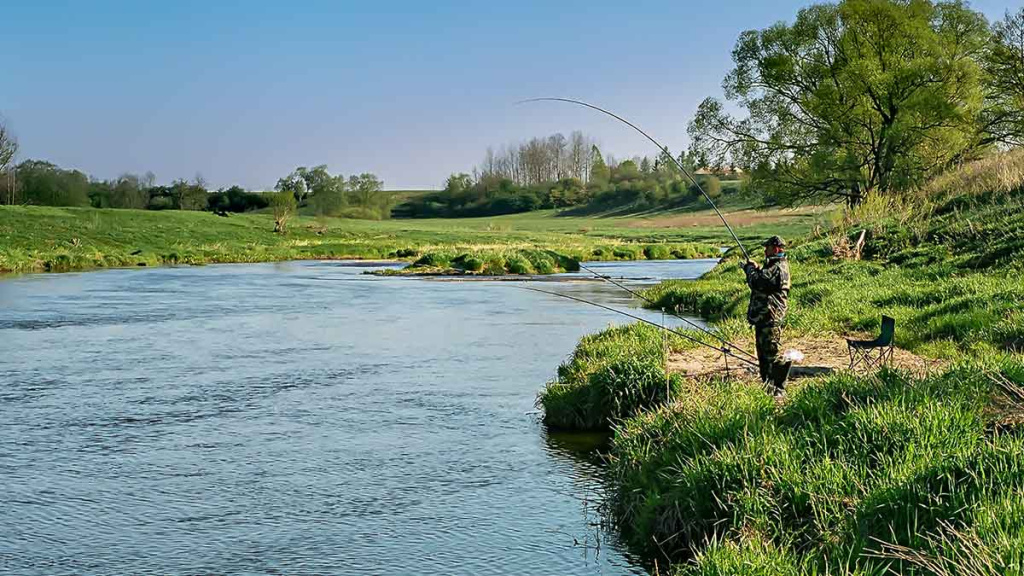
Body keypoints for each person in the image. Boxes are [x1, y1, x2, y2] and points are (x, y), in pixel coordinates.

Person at [743, 235, 791, 396]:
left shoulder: (777, 267)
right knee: (763, 355)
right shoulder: (774, 266)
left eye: (768, 247)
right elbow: (763, 278)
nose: (765, 250)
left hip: (770, 317)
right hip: (765, 318)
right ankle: (769, 386)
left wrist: (750, 270)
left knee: (772, 354)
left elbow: (758, 282)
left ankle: (779, 388)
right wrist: (756, 268)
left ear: (776, 249)